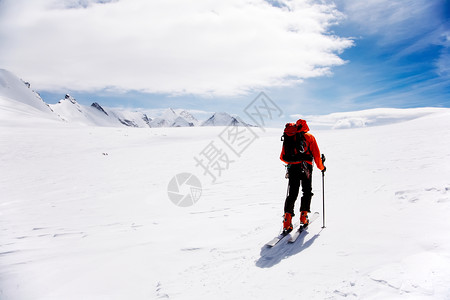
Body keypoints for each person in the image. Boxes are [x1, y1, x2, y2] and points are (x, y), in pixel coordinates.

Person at [279, 119, 326, 233]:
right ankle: (303, 217)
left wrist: (293, 161)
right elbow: (316, 155)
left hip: (293, 168)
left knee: (292, 193)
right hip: (306, 168)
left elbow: (282, 157)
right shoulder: (309, 137)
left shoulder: (290, 136)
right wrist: (322, 168)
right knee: (307, 191)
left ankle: (287, 221)